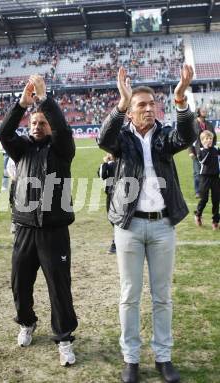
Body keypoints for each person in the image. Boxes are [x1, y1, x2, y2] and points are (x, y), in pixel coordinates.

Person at [97, 64, 196, 383]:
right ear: (131, 111)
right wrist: (122, 102)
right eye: (142, 105)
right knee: (129, 295)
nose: (149, 108)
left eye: (152, 103)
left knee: (162, 295)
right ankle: (131, 359)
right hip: (129, 227)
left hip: (163, 226)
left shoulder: (165, 135)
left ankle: (163, 357)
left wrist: (180, 99)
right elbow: (103, 138)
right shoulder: (122, 138)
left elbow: (187, 135)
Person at [0, 74, 78, 367]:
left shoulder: (62, 149)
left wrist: (45, 101)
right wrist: (21, 105)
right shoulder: (21, 150)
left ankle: (65, 337)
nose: (37, 126)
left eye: (42, 122)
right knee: (19, 282)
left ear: (50, 126)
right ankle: (27, 322)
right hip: (24, 228)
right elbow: (4, 132)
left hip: (54, 230)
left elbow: (64, 131)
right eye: (33, 123)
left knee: (59, 286)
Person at [188, 107, 216, 198]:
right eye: (203, 111)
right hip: (197, 152)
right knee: (197, 172)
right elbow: (189, 139)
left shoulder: (209, 124)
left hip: (209, 152)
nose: (205, 112)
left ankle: (207, 190)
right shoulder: (193, 124)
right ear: (198, 112)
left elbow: (214, 137)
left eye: (206, 111)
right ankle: (198, 192)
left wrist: (212, 148)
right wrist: (191, 151)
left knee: (209, 172)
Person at [194, 130, 220, 229]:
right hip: (204, 178)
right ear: (202, 140)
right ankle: (198, 214)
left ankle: (215, 220)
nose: (209, 140)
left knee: (216, 200)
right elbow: (203, 161)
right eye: (206, 139)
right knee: (204, 199)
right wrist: (208, 150)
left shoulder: (216, 149)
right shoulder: (201, 152)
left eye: (210, 138)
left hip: (215, 178)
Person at [97, 152, 116, 254]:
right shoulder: (112, 164)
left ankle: (116, 244)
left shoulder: (114, 164)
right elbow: (101, 174)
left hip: (115, 196)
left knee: (115, 219)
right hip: (112, 195)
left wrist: (105, 163)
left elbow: (102, 175)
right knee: (113, 219)